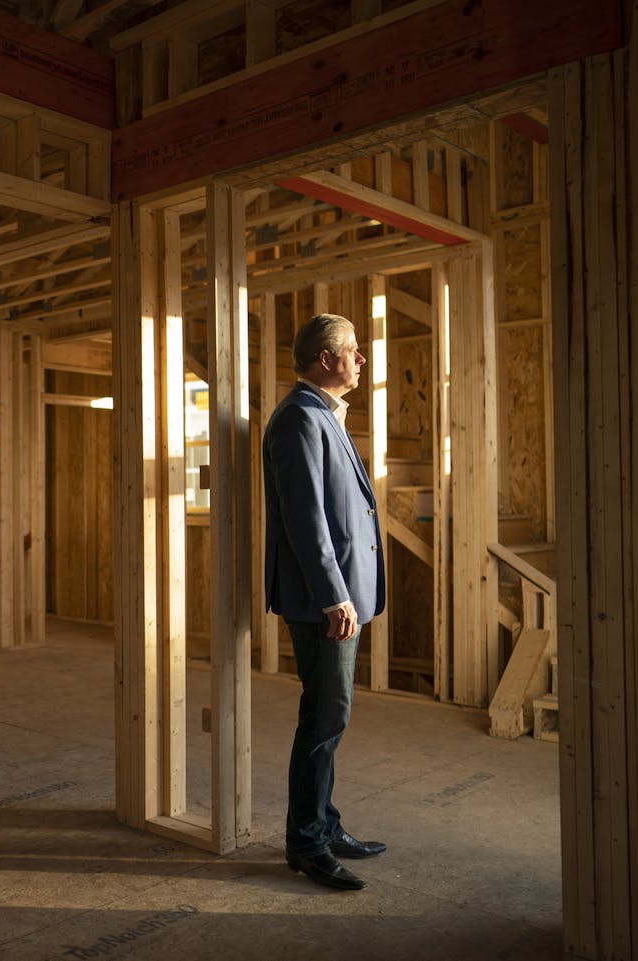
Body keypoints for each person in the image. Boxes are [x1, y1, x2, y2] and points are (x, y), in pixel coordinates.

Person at [263, 313, 387, 891]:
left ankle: (325, 824)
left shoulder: (323, 415)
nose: (360, 361)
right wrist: (335, 595)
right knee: (323, 717)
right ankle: (307, 843)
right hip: (323, 603)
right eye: (353, 352)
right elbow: (306, 519)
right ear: (325, 359)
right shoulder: (299, 420)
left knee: (331, 717)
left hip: (339, 600)